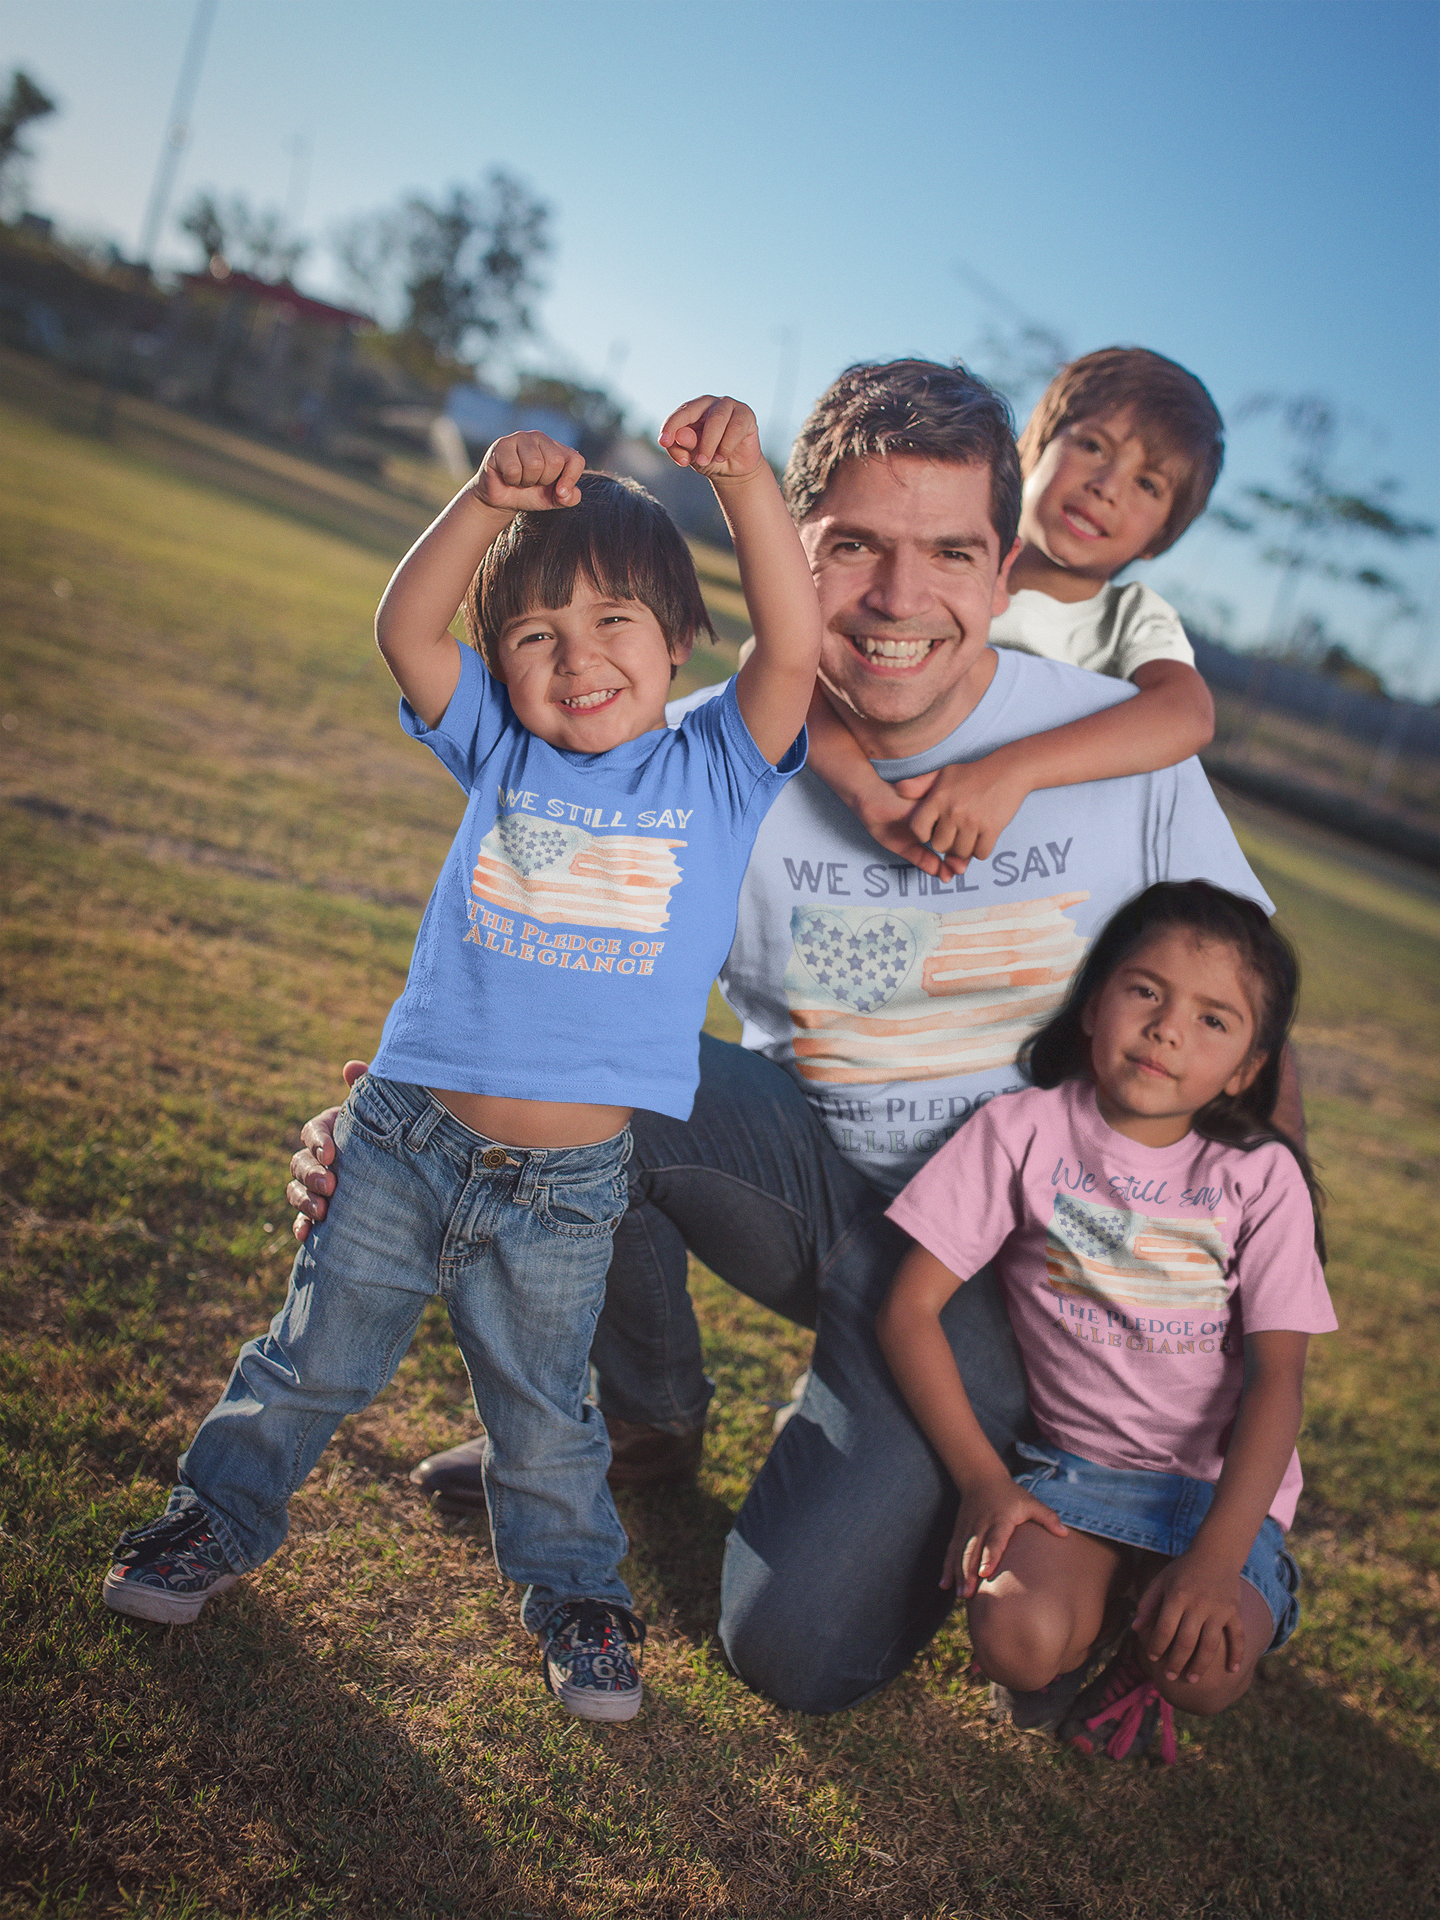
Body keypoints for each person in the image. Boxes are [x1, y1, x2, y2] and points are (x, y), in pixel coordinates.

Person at [290, 358, 1303, 1714]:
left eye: (947, 552)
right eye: (852, 550)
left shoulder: (1119, 752)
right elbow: (532, 977)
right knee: (607, 1090)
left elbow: (1257, 1047)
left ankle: (996, 1488)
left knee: (794, 1650)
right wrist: (387, 1117)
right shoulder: (689, 759)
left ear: (1004, 571)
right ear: (787, 552)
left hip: (1003, 1278)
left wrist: (1239, 1312)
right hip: (810, 1174)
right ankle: (643, 1418)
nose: (896, 600)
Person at [102, 395, 819, 1725]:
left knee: (545, 1418)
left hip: (565, 1189)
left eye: (615, 624)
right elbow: (404, 629)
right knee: (310, 1359)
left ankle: (577, 1601)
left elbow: (795, 644)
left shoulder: (718, 769)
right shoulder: (500, 746)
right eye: (537, 635)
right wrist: (486, 497)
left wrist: (749, 492)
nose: (578, 657)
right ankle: (210, 1522)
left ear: (680, 641)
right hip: (404, 1140)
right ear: (502, 662)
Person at [878, 880, 1333, 1763]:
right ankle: (1100, 1604)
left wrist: (1214, 1558)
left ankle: (1151, 1624)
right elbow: (907, 1311)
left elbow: (1280, 1379)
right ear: (1094, 1002)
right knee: (1019, 1644)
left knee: (1203, 1672)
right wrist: (983, 1480)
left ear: (1246, 1069)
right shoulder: (1021, 1131)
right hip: (1079, 1477)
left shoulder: (1260, 1177)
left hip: (1216, 1495)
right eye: (1146, 990)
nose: (1167, 1027)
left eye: (1214, 1019)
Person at [802, 347, 1221, 880]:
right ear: (1034, 448)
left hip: (1026, 870)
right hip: (880, 846)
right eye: (1093, 446)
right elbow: (780, 669)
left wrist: (1010, 773)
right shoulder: (937, 590)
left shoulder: (1129, 618)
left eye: (1148, 484)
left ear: (1160, 539)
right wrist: (865, 795)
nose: (1107, 486)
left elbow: (1188, 715)